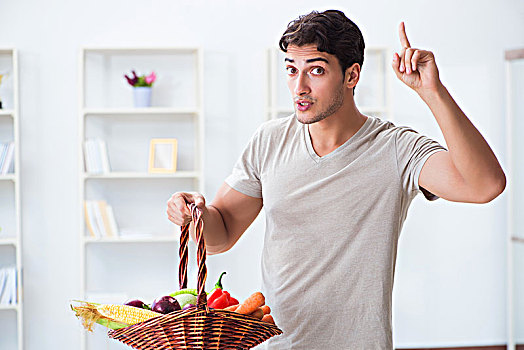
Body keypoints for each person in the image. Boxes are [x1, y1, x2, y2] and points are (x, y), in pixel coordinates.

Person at [166, 9, 505, 349]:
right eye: (291, 70)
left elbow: (484, 186)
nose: (299, 86)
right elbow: (220, 235)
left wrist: (433, 92)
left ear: (352, 75)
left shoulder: (396, 148)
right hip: (285, 345)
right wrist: (194, 215)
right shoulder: (269, 141)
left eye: (316, 70)